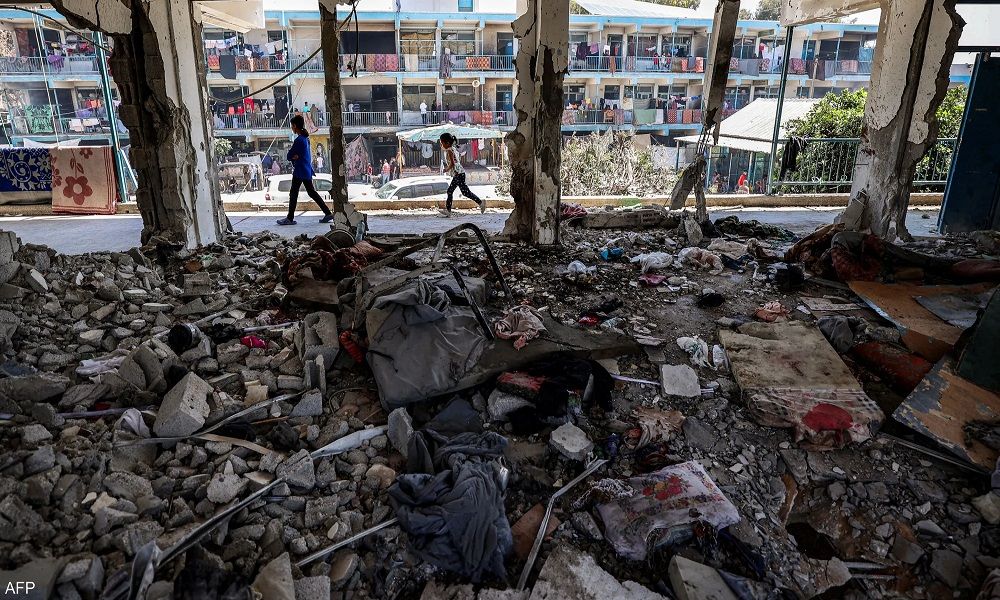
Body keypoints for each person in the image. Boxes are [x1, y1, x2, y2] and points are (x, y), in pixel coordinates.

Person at [276, 114, 333, 226]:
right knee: (311, 192)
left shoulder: (299, 140)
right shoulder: (305, 139)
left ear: (295, 126)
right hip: (306, 169)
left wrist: (295, 157)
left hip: (300, 170)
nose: (291, 128)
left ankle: (290, 218)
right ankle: (327, 213)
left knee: (293, 193)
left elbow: (289, 156)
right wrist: (295, 156)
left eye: (292, 126)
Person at [438, 133, 484, 217]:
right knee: (455, 191)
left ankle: (480, 202)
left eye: (442, 143)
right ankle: (448, 210)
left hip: (458, 174)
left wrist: (446, 169)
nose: (441, 145)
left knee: (462, 192)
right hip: (459, 173)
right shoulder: (453, 148)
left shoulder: (449, 151)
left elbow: (452, 163)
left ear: (447, 143)